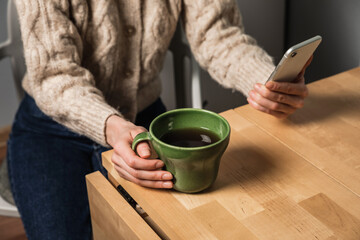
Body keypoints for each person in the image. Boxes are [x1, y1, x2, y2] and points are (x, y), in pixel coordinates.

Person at [8, 0, 310, 239]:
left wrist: (267, 84)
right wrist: (112, 127)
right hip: (51, 129)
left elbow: (217, 35)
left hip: (146, 124)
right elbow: (54, 74)